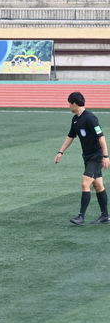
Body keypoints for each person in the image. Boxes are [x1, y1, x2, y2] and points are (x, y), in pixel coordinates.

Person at [54, 91, 110, 225]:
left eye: (69, 104)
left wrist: (106, 156)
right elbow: (70, 137)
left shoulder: (91, 118)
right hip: (87, 157)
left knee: (85, 183)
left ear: (74, 104)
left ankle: (81, 217)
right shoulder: (75, 119)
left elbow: (101, 137)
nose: (68, 106)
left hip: (96, 157)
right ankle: (105, 216)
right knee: (98, 185)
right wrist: (60, 152)